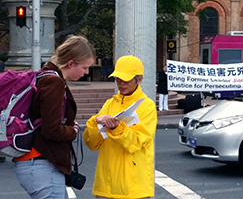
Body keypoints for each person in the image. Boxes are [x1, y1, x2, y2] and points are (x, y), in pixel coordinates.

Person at [14, 35, 96, 198]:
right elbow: (51, 129)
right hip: (41, 163)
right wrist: (72, 131)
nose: (86, 73)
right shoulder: (54, 82)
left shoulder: (44, 76)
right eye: (85, 67)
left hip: (35, 163)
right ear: (71, 63)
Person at [83, 55, 157, 199]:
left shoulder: (147, 106)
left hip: (133, 187)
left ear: (139, 79)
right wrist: (95, 122)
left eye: (126, 79)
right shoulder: (109, 104)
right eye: (118, 79)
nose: (121, 83)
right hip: (106, 184)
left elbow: (135, 143)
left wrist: (117, 128)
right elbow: (92, 143)